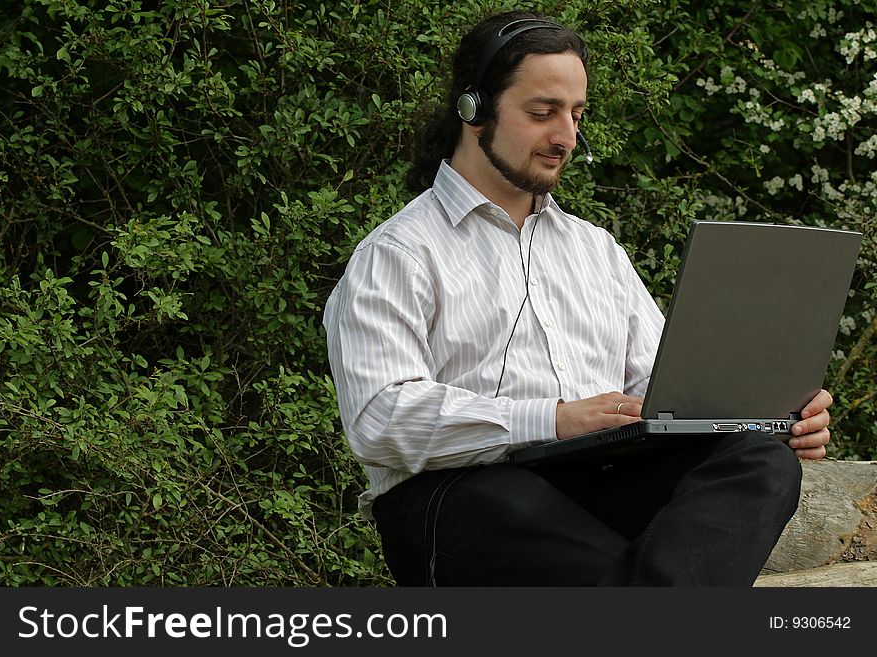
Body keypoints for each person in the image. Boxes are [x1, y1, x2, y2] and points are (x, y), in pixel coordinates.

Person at [323, 11, 833, 585]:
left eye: (575, 114)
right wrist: (552, 419)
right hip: (461, 495)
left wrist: (765, 418)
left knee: (758, 461)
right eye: (543, 113)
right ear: (475, 111)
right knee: (521, 508)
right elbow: (378, 419)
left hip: (602, 480)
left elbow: (668, 395)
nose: (566, 136)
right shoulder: (399, 253)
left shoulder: (597, 251)